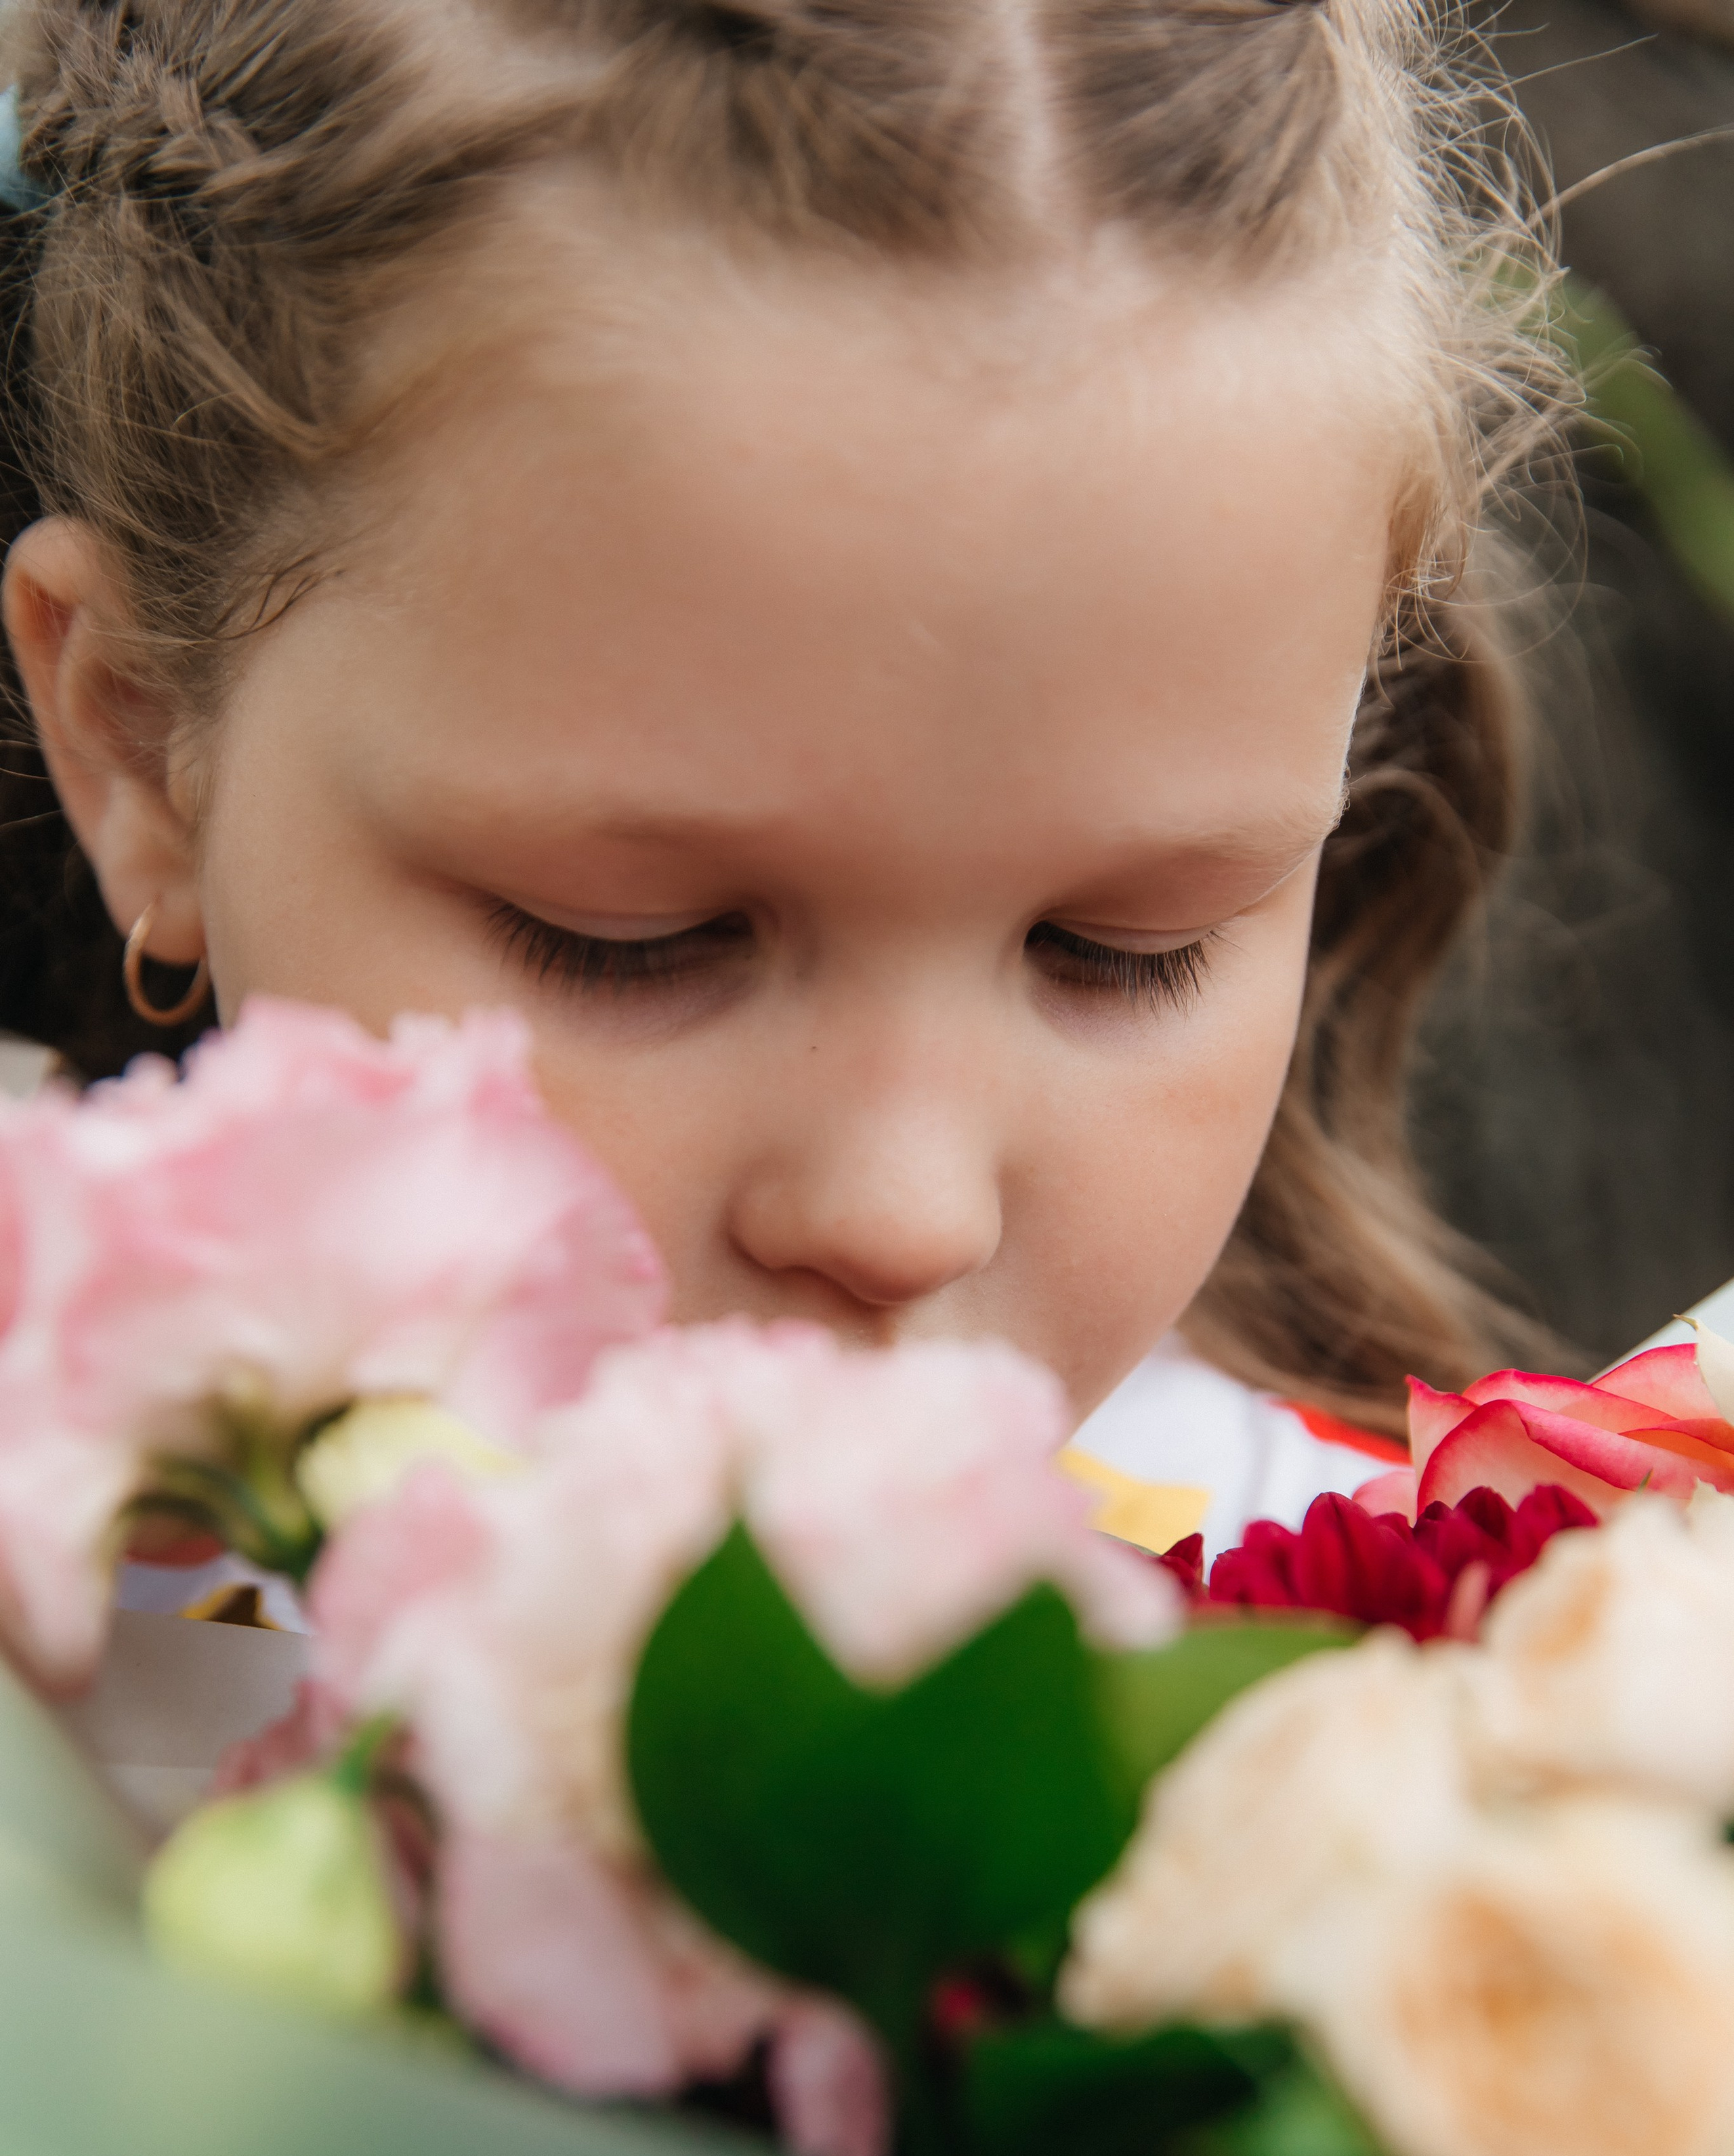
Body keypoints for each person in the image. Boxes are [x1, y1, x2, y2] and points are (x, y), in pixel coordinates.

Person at [0, 0, 1565, 1562]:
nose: (904, 1216)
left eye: (1123, 951)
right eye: (631, 940)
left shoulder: (1392, 1631)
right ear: (137, 739)